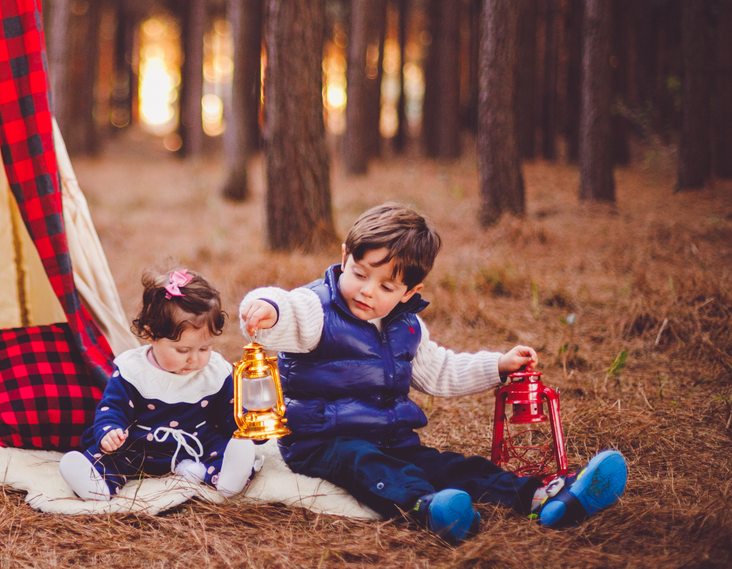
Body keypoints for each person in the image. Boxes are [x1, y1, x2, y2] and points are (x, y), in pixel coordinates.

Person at [238, 203, 627, 543]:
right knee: (366, 464)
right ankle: (425, 507)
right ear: (345, 256)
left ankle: (541, 496)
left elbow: (442, 371)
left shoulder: (407, 327)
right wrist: (266, 309)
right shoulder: (317, 310)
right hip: (322, 443)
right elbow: (286, 308)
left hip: (392, 440)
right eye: (359, 273)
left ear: (408, 292)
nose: (367, 290)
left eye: (387, 286)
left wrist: (497, 365)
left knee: (450, 466)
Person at [59, 269, 256, 501]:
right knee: (110, 457)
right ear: (151, 335)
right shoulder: (134, 370)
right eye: (182, 350)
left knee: (223, 448)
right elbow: (113, 407)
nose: (194, 358)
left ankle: (227, 479)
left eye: (204, 348)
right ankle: (95, 483)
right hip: (139, 446)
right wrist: (110, 431)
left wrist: (248, 426)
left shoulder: (214, 372)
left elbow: (229, 410)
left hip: (197, 443)